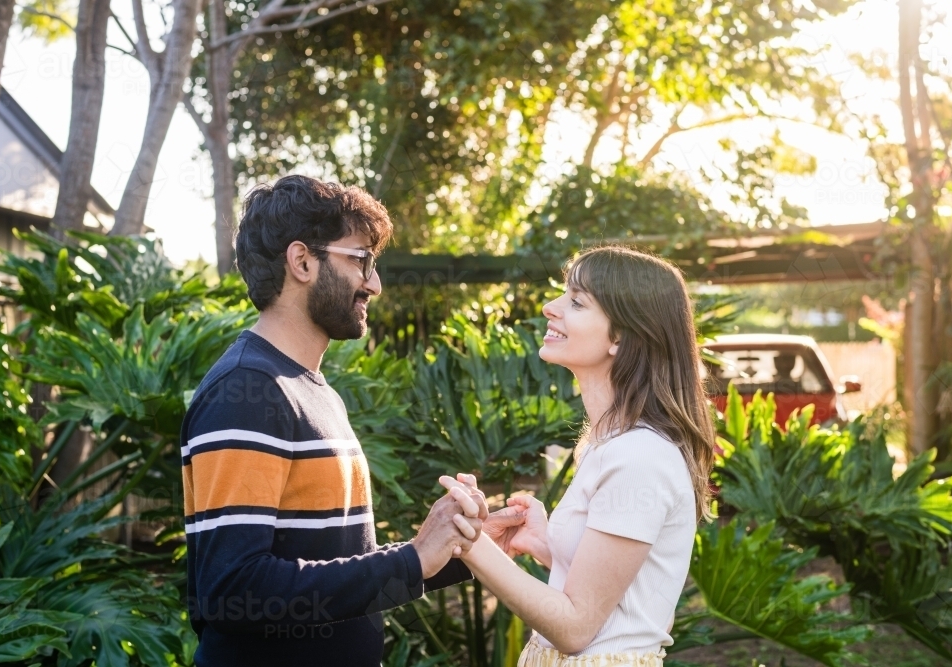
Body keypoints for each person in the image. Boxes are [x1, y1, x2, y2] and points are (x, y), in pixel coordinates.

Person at [180, 175, 503, 667]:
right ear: (302, 261)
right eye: (360, 260)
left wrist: (462, 551)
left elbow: (333, 564)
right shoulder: (248, 391)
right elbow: (233, 588)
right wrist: (413, 558)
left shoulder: (311, 389)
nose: (373, 283)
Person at [442, 246, 716, 667]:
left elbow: (576, 628)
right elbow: (622, 592)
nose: (551, 308)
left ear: (622, 335)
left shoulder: (639, 455)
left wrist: (471, 544)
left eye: (576, 301)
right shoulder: (612, 444)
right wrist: (547, 545)